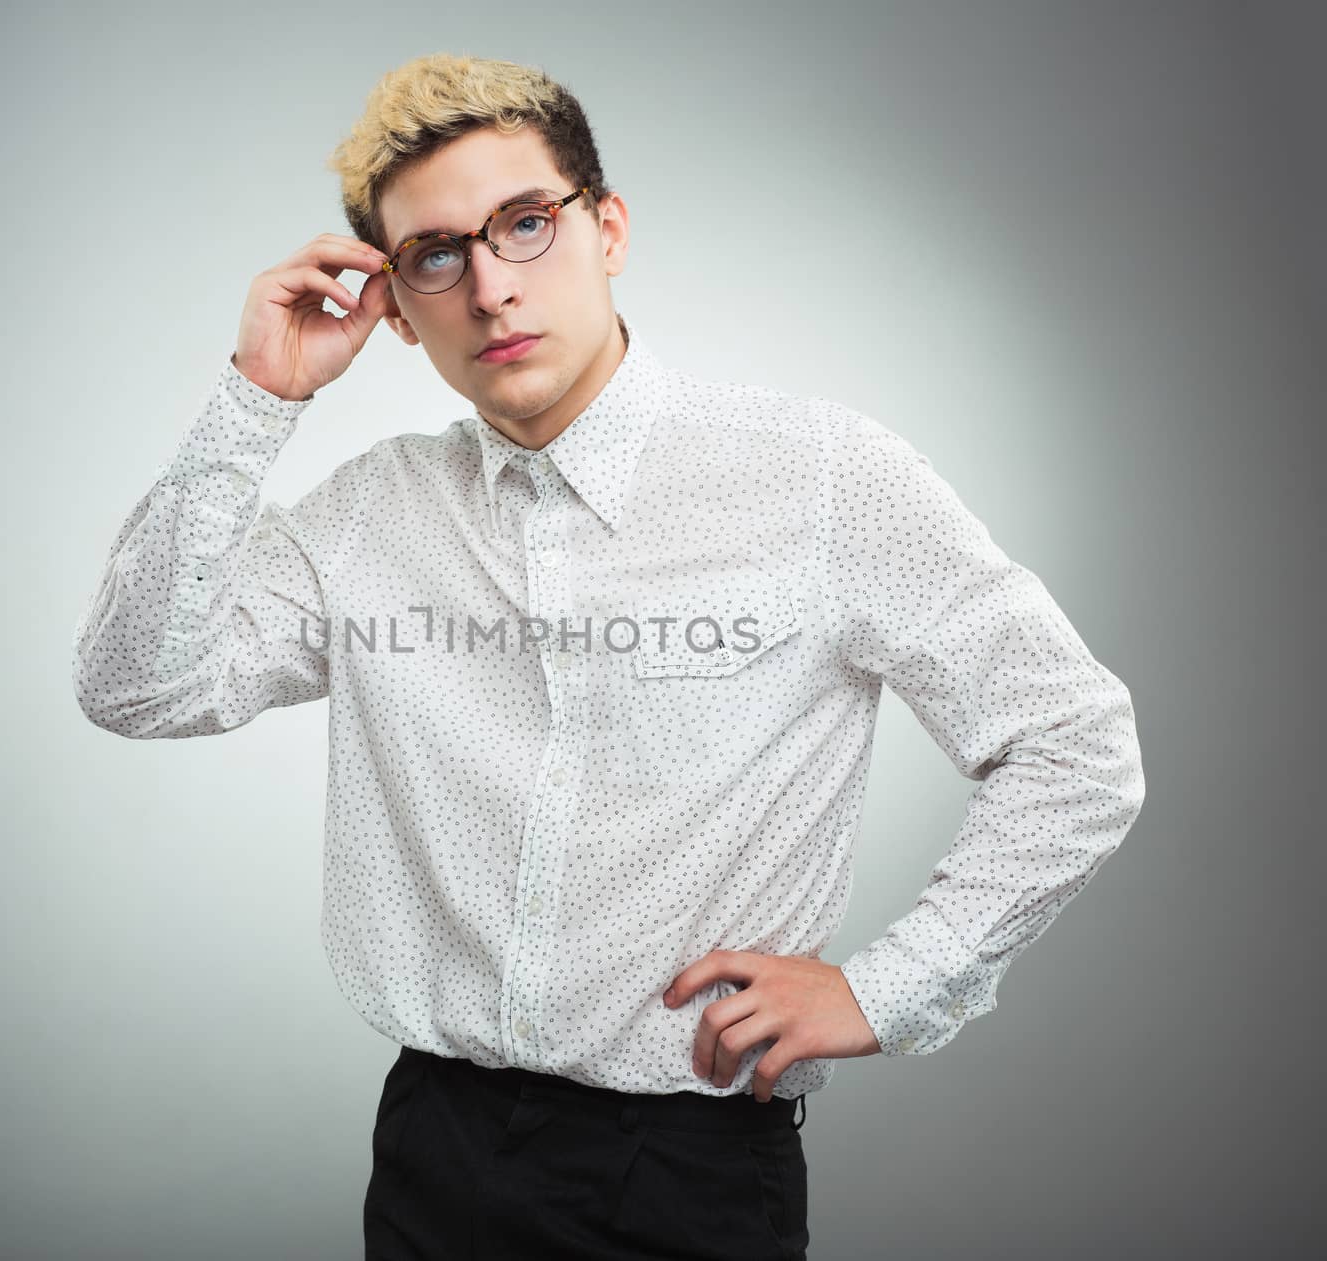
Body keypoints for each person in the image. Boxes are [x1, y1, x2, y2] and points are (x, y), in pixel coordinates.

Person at [71, 52, 1146, 1261]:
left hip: (686, 1170)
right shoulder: (374, 513)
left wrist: (888, 988)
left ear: (607, 228)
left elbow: (1073, 744)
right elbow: (135, 683)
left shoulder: (821, 479)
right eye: (437, 254)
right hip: (435, 1143)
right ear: (395, 306)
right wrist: (255, 400)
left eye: (524, 225)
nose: (489, 288)